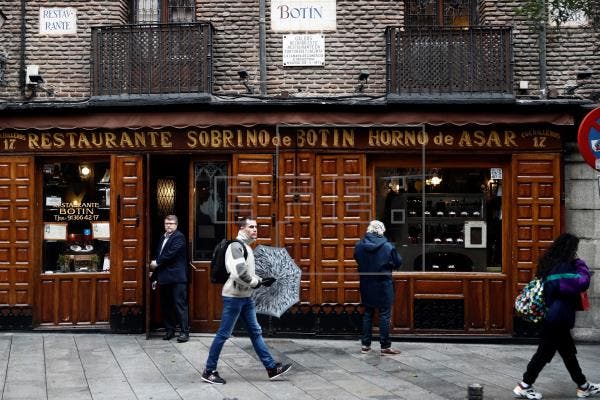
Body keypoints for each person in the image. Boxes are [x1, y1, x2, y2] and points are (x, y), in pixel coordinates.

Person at [201, 216, 292, 385]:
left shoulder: (247, 248)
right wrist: (256, 282)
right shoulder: (236, 246)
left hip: (246, 298)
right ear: (242, 229)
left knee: (255, 333)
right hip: (234, 298)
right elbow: (239, 273)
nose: (255, 230)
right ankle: (209, 370)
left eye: (256, 227)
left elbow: (246, 273)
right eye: (251, 227)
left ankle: (271, 368)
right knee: (223, 334)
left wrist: (262, 280)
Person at [513, 233, 599, 399]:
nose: (576, 252)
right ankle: (524, 385)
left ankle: (583, 386)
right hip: (557, 318)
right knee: (545, 353)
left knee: (567, 353)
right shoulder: (562, 267)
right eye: (574, 249)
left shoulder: (552, 264)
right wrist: (581, 265)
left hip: (555, 317)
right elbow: (582, 282)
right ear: (569, 249)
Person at [354, 220, 403, 355]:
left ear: (369, 230)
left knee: (368, 314)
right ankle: (385, 346)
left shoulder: (359, 246)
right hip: (383, 284)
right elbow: (398, 261)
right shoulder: (387, 246)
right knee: (384, 315)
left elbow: (357, 259)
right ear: (381, 231)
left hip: (366, 284)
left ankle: (365, 345)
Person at [149, 215, 190, 343]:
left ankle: (184, 333)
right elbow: (159, 253)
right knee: (166, 306)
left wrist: (156, 262)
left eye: (171, 224)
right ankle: (170, 330)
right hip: (164, 277)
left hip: (177, 278)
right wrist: (155, 276)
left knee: (180, 305)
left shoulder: (179, 237)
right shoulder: (163, 237)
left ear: (176, 225)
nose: (168, 226)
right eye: (166, 223)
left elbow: (170, 254)